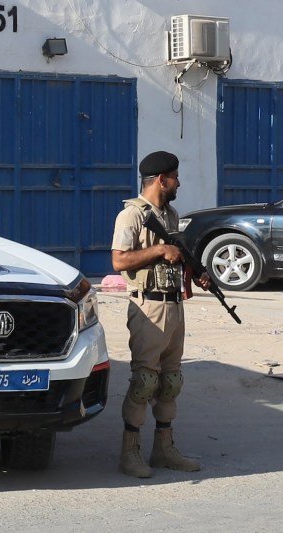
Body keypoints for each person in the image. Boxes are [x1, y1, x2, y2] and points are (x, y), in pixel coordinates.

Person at [111, 150, 211, 479]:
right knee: (144, 380)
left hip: (173, 306)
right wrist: (157, 249)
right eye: (175, 177)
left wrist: (195, 272)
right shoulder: (132, 216)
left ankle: (164, 448)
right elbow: (119, 262)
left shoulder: (171, 215)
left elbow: (177, 254)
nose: (178, 182)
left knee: (170, 382)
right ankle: (131, 452)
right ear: (160, 180)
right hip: (147, 307)